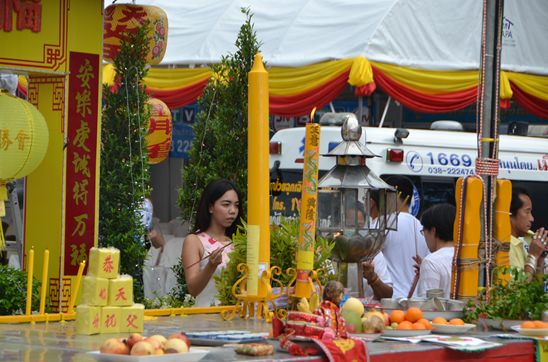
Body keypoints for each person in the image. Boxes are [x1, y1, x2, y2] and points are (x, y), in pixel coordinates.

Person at [181, 179, 244, 306]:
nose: (232, 210)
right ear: (210, 207)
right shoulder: (194, 241)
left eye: (236, 205)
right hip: (206, 318)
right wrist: (211, 265)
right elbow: (192, 289)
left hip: (237, 317)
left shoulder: (238, 242)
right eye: (226, 204)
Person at [381, 176, 430, 298]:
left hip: (390, 299)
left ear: (393, 195)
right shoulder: (422, 227)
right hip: (415, 299)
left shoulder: (384, 223)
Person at [414, 203, 456, 299]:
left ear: (433, 231)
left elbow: (427, 304)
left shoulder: (431, 262)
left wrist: (427, 268)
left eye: (423, 231)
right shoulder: (465, 257)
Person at [509, 187, 547, 278]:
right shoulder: (504, 247)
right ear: (510, 213)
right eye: (527, 212)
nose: (532, 219)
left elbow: (536, 289)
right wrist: (533, 256)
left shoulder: (524, 241)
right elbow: (518, 290)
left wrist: (540, 257)